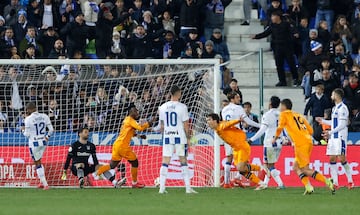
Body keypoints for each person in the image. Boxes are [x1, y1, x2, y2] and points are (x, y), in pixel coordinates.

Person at [273, 99, 335, 195]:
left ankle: (327, 181)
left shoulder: (284, 114)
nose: (280, 108)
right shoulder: (298, 115)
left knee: (305, 169)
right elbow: (310, 130)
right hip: (308, 141)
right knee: (295, 167)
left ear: (284, 106)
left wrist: (274, 138)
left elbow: (280, 127)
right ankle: (308, 187)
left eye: (281, 106)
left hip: (300, 144)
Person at [96, 103, 154, 188]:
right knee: (135, 162)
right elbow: (140, 127)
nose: (137, 113)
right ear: (131, 112)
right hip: (123, 146)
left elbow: (130, 133)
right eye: (136, 111)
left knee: (112, 165)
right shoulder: (130, 120)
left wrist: (139, 136)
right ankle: (134, 183)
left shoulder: (126, 120)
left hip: (117, 145)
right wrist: (149, 123)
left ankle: (98, 172)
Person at [207, 113, 267, 190]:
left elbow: (228, 124)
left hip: (242, 146)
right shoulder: (217, 128)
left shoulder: (221, 126)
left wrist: (238, 120)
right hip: (235, 149)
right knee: (242, 170)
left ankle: (261, 168)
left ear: (215, 121)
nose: (207, 122)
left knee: (241, 168)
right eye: (207, 120)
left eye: (209, 120)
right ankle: (261, 183)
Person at [158, 85, 197, 194]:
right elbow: (186, 125)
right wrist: (189, 138)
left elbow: (161, 126)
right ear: (178, 93)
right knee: (183, 160)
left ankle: (162, 189)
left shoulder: (162, 107)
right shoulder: (182, 107)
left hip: (167, 137)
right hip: (180, 137)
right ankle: (188, 188)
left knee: (165, 161)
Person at [61, 127, 126, 188]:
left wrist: (98, 167)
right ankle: (81, 180)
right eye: (85, 132)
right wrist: (65, 170)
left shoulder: (91, 146)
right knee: (80, 164)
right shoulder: (74, 145)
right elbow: (68, 158)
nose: (88, 134)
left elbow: (94, 158)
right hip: (75, 168)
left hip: (86, 167)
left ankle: (115, 183)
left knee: (102, 167)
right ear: (80, 134)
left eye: (88, 132)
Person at [316, 88, 354, 189]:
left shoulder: (343, 108)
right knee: (332, 158)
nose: (331, 96)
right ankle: (336, 183)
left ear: (337, 96)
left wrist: (330, 132)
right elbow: (334, 123)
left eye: (332, 94)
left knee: (342, 159)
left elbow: (342, 125)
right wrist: (323, 121)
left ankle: (350, 181)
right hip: (333, 138)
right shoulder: (334, 108)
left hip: (340, 137)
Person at [221, 92, 260, 188]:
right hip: (237, 136)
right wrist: (260, 125)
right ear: (232, 99)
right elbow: (248, 121)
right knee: (243, 159)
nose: (239, 99)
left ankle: (227, 182)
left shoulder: (224, 109)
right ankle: (237, 178)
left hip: (227, 136)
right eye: (237, 97)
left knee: (229, 158)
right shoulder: (238, 108)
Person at [252, 11, 299, 87]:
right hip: (277, 47)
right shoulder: (272, 26)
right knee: (279, 65)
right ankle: (282, 81)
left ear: (278, 17)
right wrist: (256, 36)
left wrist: (294, 35)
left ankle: (296, 79)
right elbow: (265, 33)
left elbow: (293, 31)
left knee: (291, 64)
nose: (272, 18)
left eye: (273, 16)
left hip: (287, 47)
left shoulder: (286, 24)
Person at [248, 96, 284, 189]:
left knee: (267, 165)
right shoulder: (281, 115)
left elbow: (262, 129)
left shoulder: (267, 115)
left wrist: (252, 139)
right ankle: (265, 184)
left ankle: (280, 184)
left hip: (270, 142)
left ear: (270, 104)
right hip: (279, 142)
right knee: (269, 164)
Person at [21, 102, 54, 190]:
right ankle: (41, 181)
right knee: (39, 161)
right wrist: (47, 137)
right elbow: (51, 130)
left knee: (37, 163)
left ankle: (45, 184)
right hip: (43, 142)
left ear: (29, 110)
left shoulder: (28, 119)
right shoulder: (44, 116)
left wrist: (22, 131)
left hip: (34, 143)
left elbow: (27, 135)